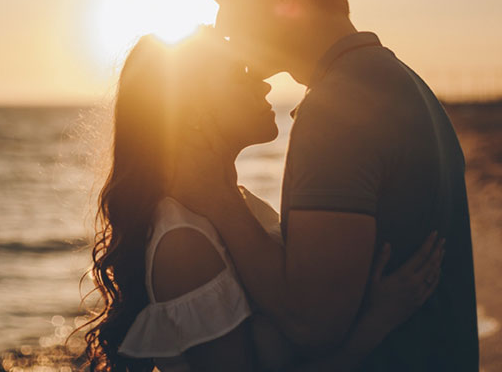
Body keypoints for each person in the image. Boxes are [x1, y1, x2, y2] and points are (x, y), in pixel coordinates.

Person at [173, 0, 478, 370]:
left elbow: (312, 324)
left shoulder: (339, 110)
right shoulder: (402, 85)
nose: (222, 24)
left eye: (226, 0)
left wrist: (219, 199)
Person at [83, 28, 444, 372]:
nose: (264, 81)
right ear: (193, 113)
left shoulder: (233, 207)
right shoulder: (184, 243)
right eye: (238, 74)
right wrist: (376, 324)